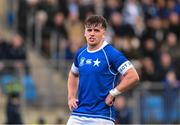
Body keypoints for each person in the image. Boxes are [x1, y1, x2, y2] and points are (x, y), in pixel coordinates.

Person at [67, 15, 139, 125]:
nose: (92, 33)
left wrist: (113, 93)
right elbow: (73, 74)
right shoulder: (80, 53)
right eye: (89, 30)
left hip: (102, 116)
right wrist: (71, 97)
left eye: (96, 30)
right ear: (84, 33)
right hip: (78, 113)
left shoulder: (112, 54)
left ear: (104, 33)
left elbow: (133, 76)